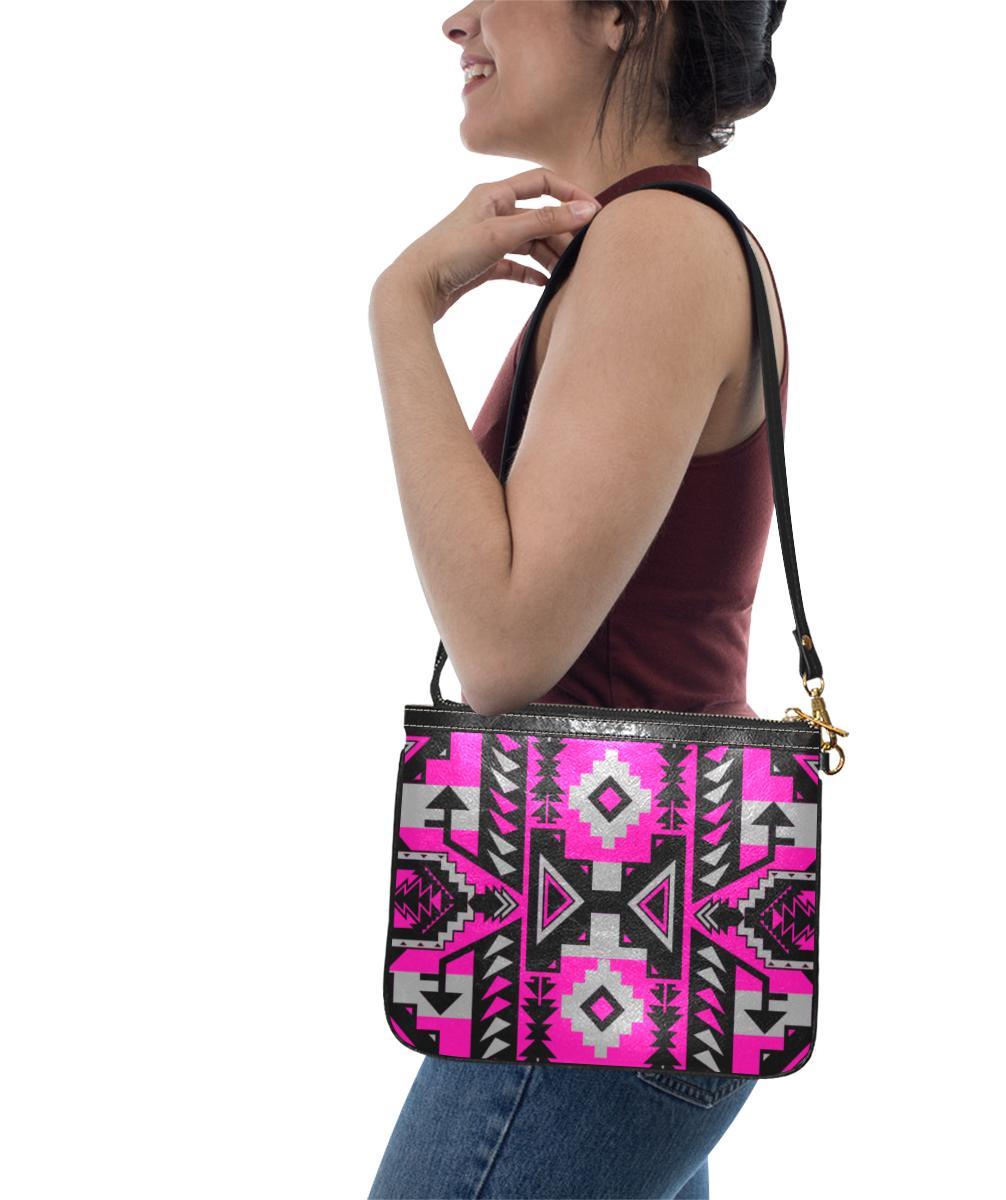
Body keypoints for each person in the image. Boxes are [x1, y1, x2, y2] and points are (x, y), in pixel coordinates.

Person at [367, 2, 792, 1196]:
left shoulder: (659, 242)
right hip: (637, 942)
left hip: (598, 954)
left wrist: (399, 311)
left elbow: (505, 645)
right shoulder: (653, 239)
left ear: (621, 14)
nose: (456, 20)